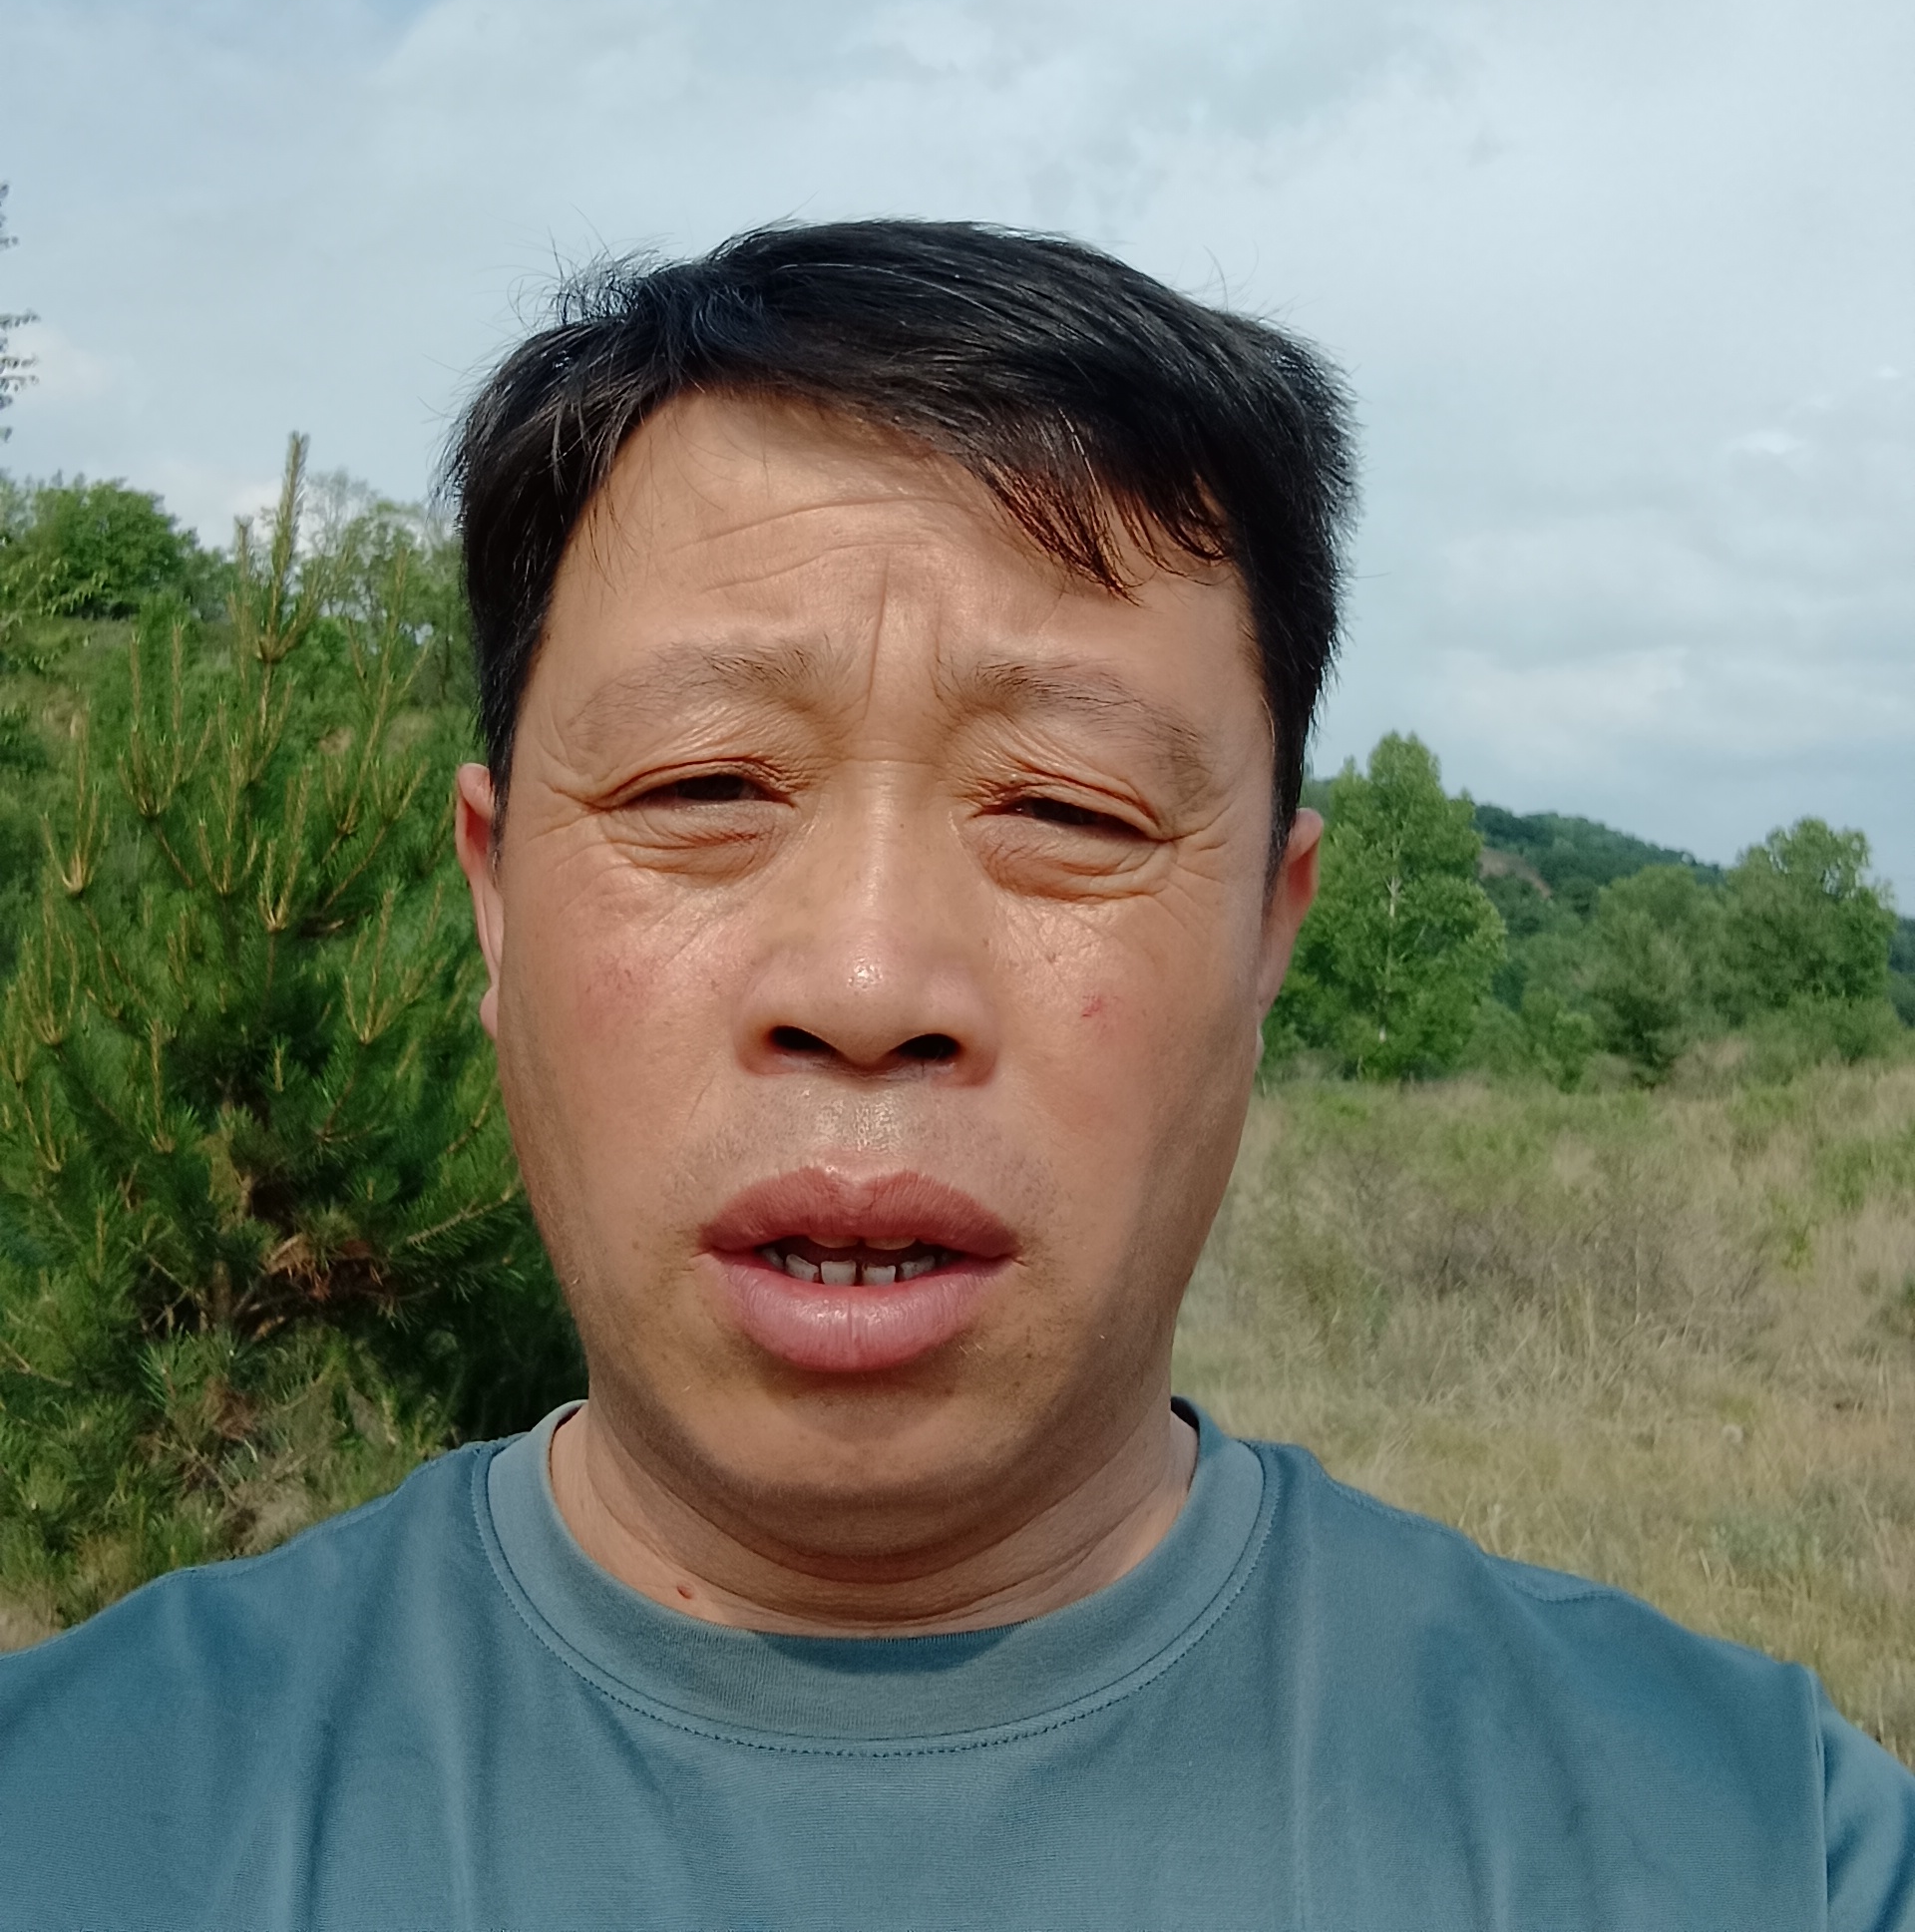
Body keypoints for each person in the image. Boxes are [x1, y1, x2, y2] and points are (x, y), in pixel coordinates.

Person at [0, 218, 1909, 1931]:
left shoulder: (1760, 1852)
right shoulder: (76, 1825)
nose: (865, 984)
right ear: (495, 901)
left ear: (1270, 928)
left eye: (1068, 810)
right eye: (702, 785)